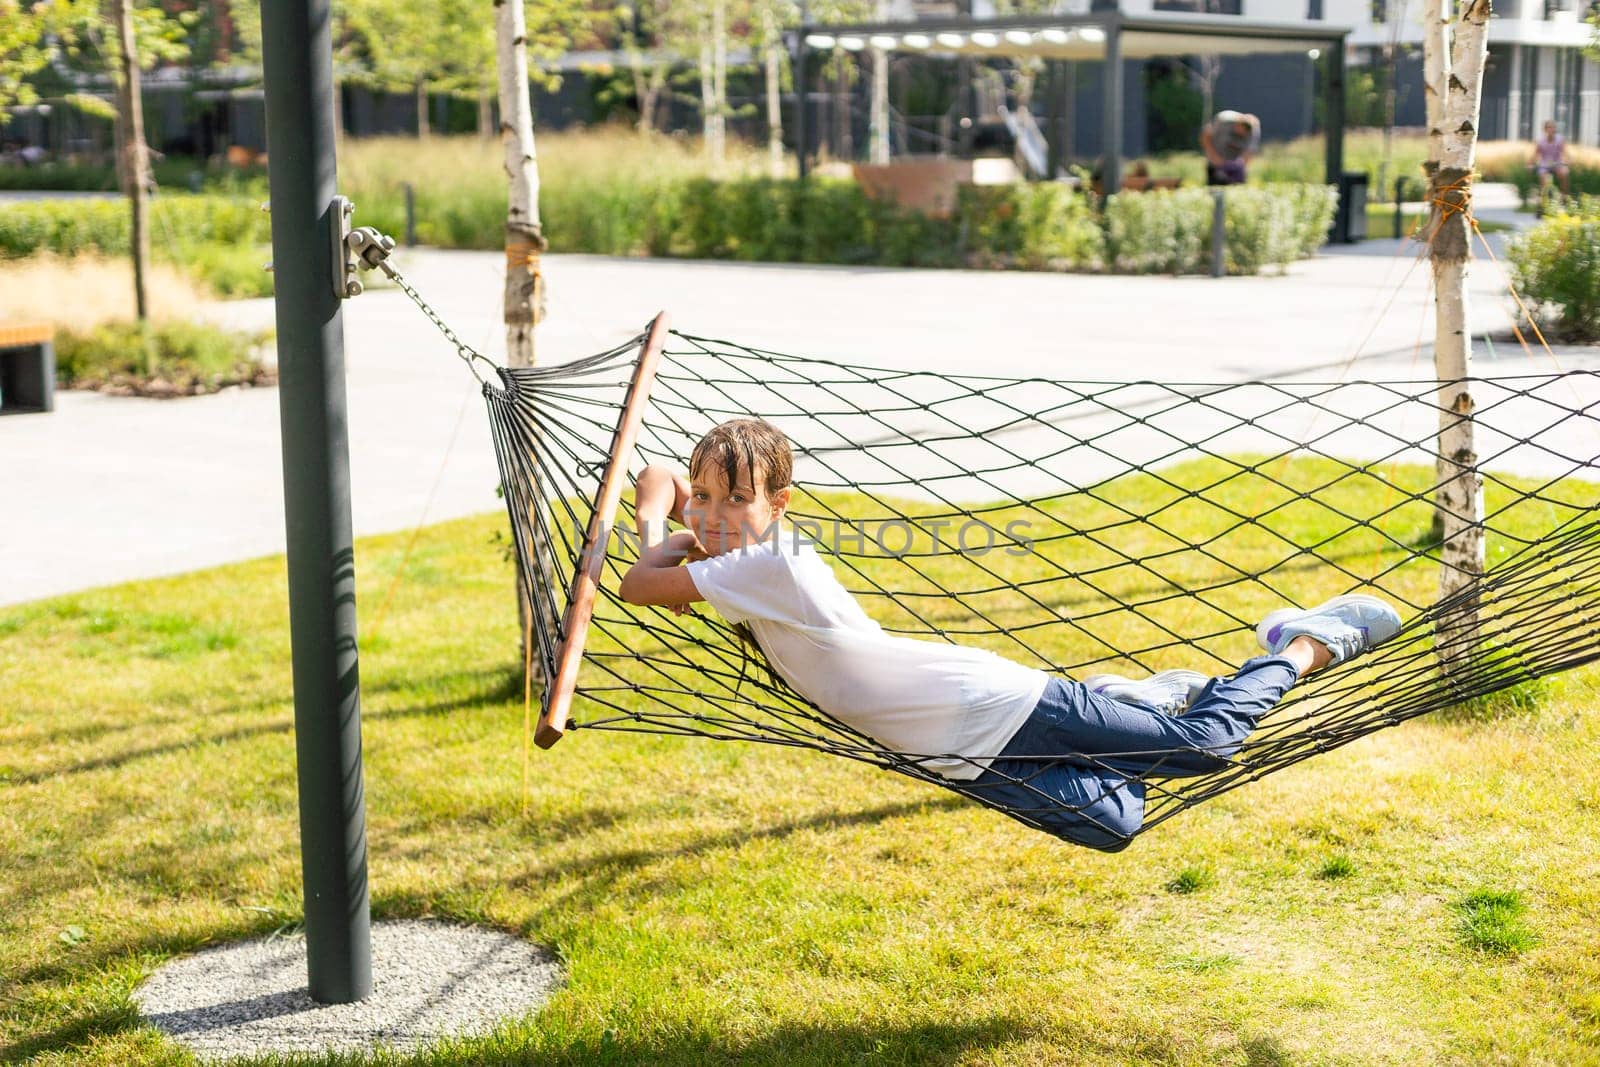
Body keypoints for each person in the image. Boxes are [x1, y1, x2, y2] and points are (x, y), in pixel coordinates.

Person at [619, 418, 1403, 852]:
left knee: (1203, 749)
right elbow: (677, 570)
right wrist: (690, 516)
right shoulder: (739, 562)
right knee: (1114, 827)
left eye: (736, 501)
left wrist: (663, 514)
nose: (715, 517)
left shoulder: (768, 565)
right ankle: (1126, 700)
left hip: (992, 701)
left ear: (780, 502)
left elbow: (635, 585)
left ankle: (1304, 643)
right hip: (954, 752)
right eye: (708, 499)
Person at [1200, 109, 1260, 187]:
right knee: (1214, 189)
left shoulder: (1253, 129)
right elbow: (1205, 137)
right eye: (1239, 130)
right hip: (1215, 162)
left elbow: (1249, 152)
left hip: (1235, 168)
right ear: (1237, 123)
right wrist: (1217, 160)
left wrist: (1238, 167)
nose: (1240, 135)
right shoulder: (1223, 120)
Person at [1531, 120, 1570, 205]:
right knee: (1543, 179)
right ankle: (1543, 201)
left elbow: (1564, 152)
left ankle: (1563, 197)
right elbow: (1535, 154)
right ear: (1545, 130)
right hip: (1544, 165)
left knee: (1563, 173)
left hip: (1557, 164)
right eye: (1549, 127)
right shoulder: (1540, 141)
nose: (1551, 129)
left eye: (1553, 127)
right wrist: (1530, 164)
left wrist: (1568, 160)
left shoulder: (1560, 139)